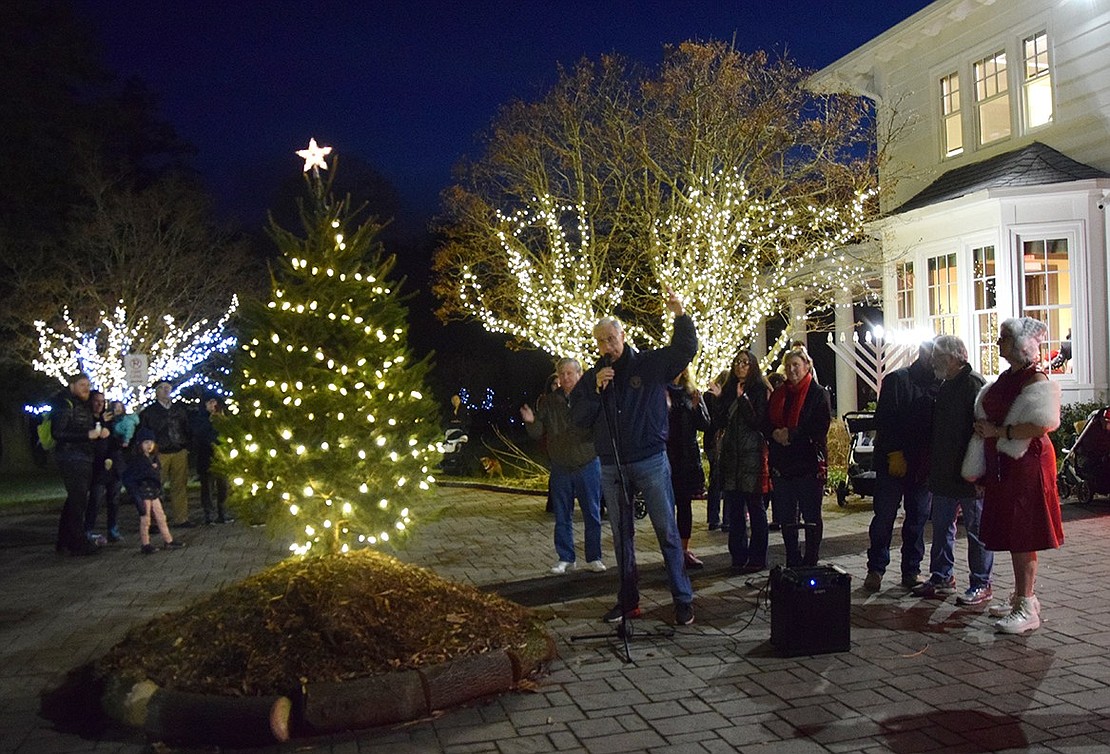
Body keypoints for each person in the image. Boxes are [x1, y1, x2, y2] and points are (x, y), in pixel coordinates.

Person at [571, 288, 697, 627]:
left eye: (612, 338)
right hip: (611, 465)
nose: (607, 346)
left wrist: (680, 315)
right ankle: (629, 601)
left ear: (622, 336)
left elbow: (685, 350)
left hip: (650, 460)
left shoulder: (650, 364)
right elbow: (579, 418)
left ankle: (682, 598)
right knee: (622, 537)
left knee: (666, 532)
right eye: (601, 342)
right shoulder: (594, 377)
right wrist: (597, 391)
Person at [964, 317, 1064, 634]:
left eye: (1004, 338)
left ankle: (1026, 603)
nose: (998, 343)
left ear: (1021, 345)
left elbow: (1042, 423)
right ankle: (1023, 598)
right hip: (1006, 463)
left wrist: (998, 431)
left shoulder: (1034, 378)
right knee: (1012, 531)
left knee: (1024, 533)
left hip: (1026, 463)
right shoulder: (1011, 376)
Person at [911, 335, 993, 603]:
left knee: (976, 530)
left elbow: (982, 432)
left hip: (968, 472)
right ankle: (941, 575)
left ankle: (981, 582)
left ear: (956, 357)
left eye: (939, 356)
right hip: (944, 472)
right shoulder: (945, 386)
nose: (934, 360)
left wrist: (980, 472)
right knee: (943, 526)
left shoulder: (974, 385)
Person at [863, 342, 939, 592]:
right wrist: (895, 454)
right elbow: (885, 420)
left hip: (922, 465)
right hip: (892, 464)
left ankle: (911, 570)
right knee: (884, 518)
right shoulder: (897, 380)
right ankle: (875, 568)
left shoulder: (940, 385)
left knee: (917, 519)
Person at [521, 358, 605, 575]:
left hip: (587, 462)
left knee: (592, 513)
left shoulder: (590, 398)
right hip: (561, 465)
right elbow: (538, 431)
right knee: (562, 514)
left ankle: (594, 556)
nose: (566, 378)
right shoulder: (549, 402)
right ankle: (566, 557)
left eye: (570, 373)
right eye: (562, 374)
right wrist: (530, 421)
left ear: (579, 374)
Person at [766, 345, 832, 568]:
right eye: (789, 365)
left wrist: (791, 434)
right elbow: (767, 421)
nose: (792, 370)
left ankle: (811, 559)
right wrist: (775, 433)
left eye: (796, 365)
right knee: (787, 517)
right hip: (783, 465)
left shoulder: (817, 393)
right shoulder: (779, 394)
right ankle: (792, 558)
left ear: (807, 366)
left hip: (807, 464)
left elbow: (819, 426)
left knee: (811, 515)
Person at [710, 348, 772, 573]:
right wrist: (718, 400)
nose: (740, 366)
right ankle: (738, 555)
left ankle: (757, 556)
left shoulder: (759, 389)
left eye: (745, 362)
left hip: (752, 456)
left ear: (753, 365)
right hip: (731, 457)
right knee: (734, 510)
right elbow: (719, 422)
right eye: (737, 362)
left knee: (756, 509)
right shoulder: (728, 390)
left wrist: (743, 399)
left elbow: (758, 422)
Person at [50, 372, 107, 556]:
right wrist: (86, 435)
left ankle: (65, 541)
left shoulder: (82, 404)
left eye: (88, 386)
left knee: (74, 500)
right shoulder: (65, 404)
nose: (86, 389)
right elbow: (58, 433)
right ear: (72, 386)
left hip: (82, 456)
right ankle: (78, 542)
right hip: (71, 457)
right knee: (78, 501)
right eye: (82, 385)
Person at [665, 366, 711, 569]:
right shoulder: (660, 391)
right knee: (666, 507)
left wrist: (696, 407)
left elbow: (705, 424)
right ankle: (670, 551)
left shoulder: (691, 393)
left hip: (686, 457)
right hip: (665, 455)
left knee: (684, 505)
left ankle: (684, 550)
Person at [138, 380, 192, 527]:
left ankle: (181, 518)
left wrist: (186, 445)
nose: (165, 391)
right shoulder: (149, 412)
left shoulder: (179, 409)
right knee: (156, 487)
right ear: (156, 392)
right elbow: (145, 433)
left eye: (167, 388)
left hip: (178, 449)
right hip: (160, 452)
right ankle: (156, 521)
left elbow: (186, 427)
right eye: (161, 388)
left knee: (179, 485)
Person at [123, 427, 185, 554]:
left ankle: (168, 540)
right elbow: (137, 475)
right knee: (145, 519)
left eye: (151, 442)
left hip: (153, 492)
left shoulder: (154, 458)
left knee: (161, 517)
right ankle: (145, 543)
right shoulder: (138, 460)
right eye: (146, 443)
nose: (149, 445)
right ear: (140, 444)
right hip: (144, 493)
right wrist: (151, 470)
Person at [84, 390, 124, 544]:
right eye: (96, 401)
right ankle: (88, 529)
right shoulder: (88, 419)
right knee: (95, 499)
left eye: (102, 401)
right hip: (97, 466)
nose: (100, 404)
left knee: (114, 499)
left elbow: (117, 442)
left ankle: (113, 528)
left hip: (113, 465)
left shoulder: (110, 420)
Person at [192, 394, 233, 525]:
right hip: (206, 456)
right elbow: (199, 435)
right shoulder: (200, 419)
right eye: (209, 403)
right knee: (207, 487)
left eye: (214, 402)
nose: (212, 405)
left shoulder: (222, 417)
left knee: (223, 486)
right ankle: (208, 514)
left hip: (221, 456)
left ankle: (222, 512)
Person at [702, 370, 729, 531]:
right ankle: (726, 519)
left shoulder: (707, 396)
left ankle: (713, 518)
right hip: (721, 441)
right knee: (725, 481)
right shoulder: (722, 398)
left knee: (715, 479)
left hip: (711, 441)